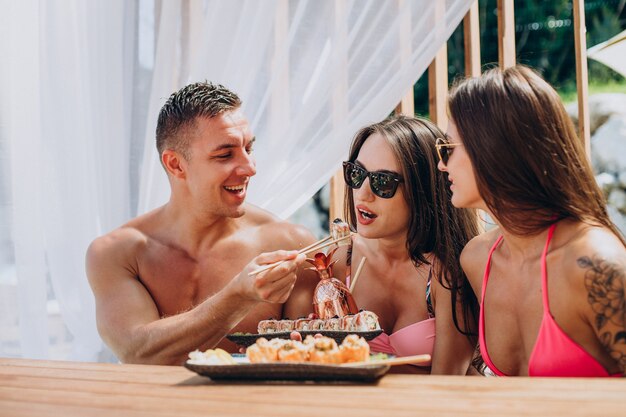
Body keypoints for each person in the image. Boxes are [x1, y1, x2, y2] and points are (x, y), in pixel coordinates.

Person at [86, 82, 319, 365]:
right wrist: (238, 296)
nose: (250, 168)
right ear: (175, 165)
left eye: (249, 148)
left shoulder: (291, 243)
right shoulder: (117, 253)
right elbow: (137, 352)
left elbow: (309, 365)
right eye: (224, 155)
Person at [438, 65, 626, 377]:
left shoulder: (592, 264)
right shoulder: (478, 259)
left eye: (447, 150)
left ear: (494, 150)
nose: (441, 165)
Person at [329, 115, 481, 374]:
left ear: (424, 190)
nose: (363, 193)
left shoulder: (447, 274)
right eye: (357, 174)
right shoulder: (339, 260)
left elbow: (447, 385)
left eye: (383, 182)